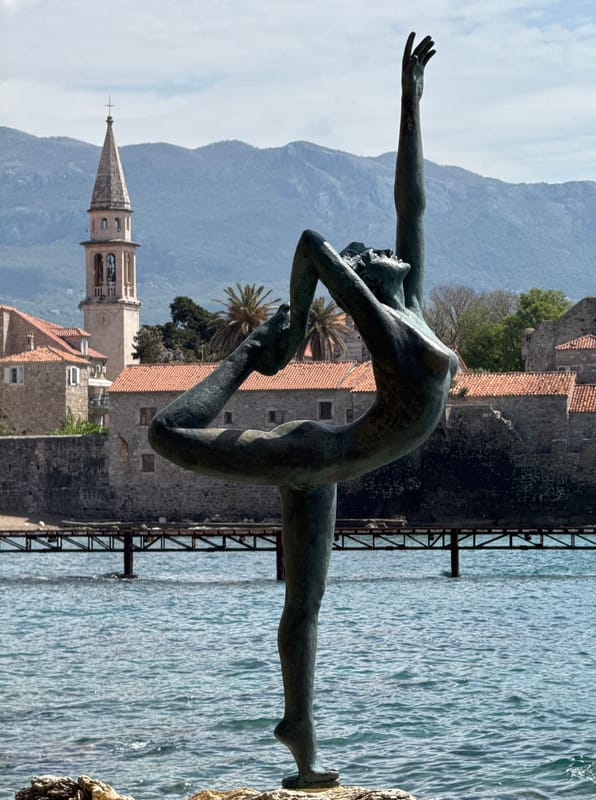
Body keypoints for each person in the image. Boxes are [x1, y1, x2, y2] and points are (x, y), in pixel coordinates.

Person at [149, 32, 457, 789]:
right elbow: (313, 244)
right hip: (313, 454)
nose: (387, 248)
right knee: (164, 431)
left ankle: (302, 740)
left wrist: (409, 100)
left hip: (329, 463)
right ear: (365, 284)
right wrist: (282, 335)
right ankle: (249, 355)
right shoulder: (384, 327)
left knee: (306, 606)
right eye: (373, 254)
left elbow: (409, 198)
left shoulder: (408, 302)